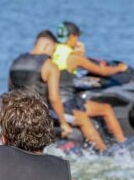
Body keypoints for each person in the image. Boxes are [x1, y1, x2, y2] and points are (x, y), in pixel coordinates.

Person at [51, 22, 129, 151]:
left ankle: (117, 145)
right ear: (71, 37)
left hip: (62, 101)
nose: (78, 40)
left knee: (105, 109)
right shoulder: (73, 57)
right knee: (89, 118)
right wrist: (120, 68)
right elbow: (102, 71)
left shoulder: (52, 51)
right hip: (65, 104)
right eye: (77, 37)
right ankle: (107, 150)